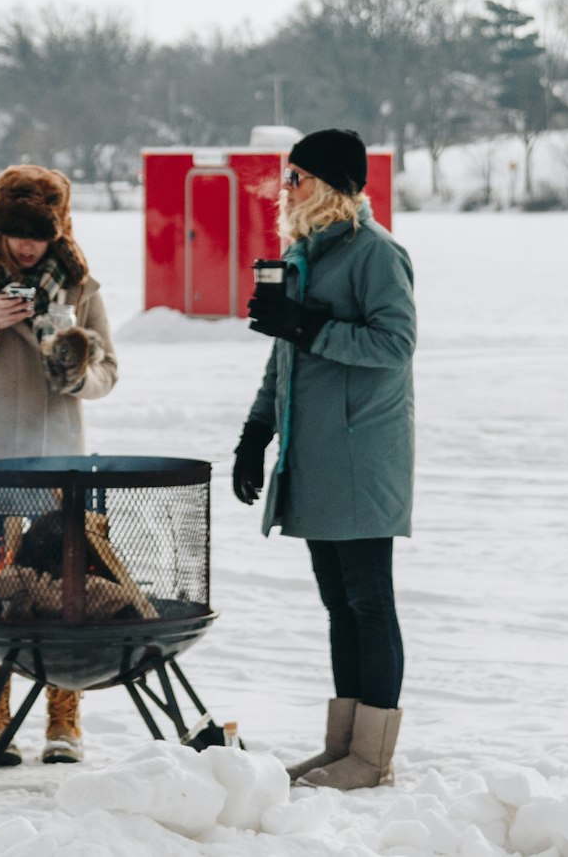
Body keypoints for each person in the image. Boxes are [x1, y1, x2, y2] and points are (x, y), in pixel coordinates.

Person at [232, 128, 415, 791]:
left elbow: (395, 344)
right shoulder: (305, 254)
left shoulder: (376, 253)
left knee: (370, 600)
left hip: (362, 453)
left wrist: (306, 325)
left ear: (332, 185)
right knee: (340, 603)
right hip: (313, 454)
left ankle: (371, 757)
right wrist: (255, 436)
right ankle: (343, 748)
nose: (285, 188)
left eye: (297, 177)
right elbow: (285, 357)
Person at [0, 165, 118, 767]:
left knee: (71, 595)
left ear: (57, 230)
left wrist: (72, 365)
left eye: (38, 233)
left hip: (59, 464)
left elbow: (106, 374)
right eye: (15, 232)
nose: (26, 245)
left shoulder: (81, 288)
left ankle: (65, 722)